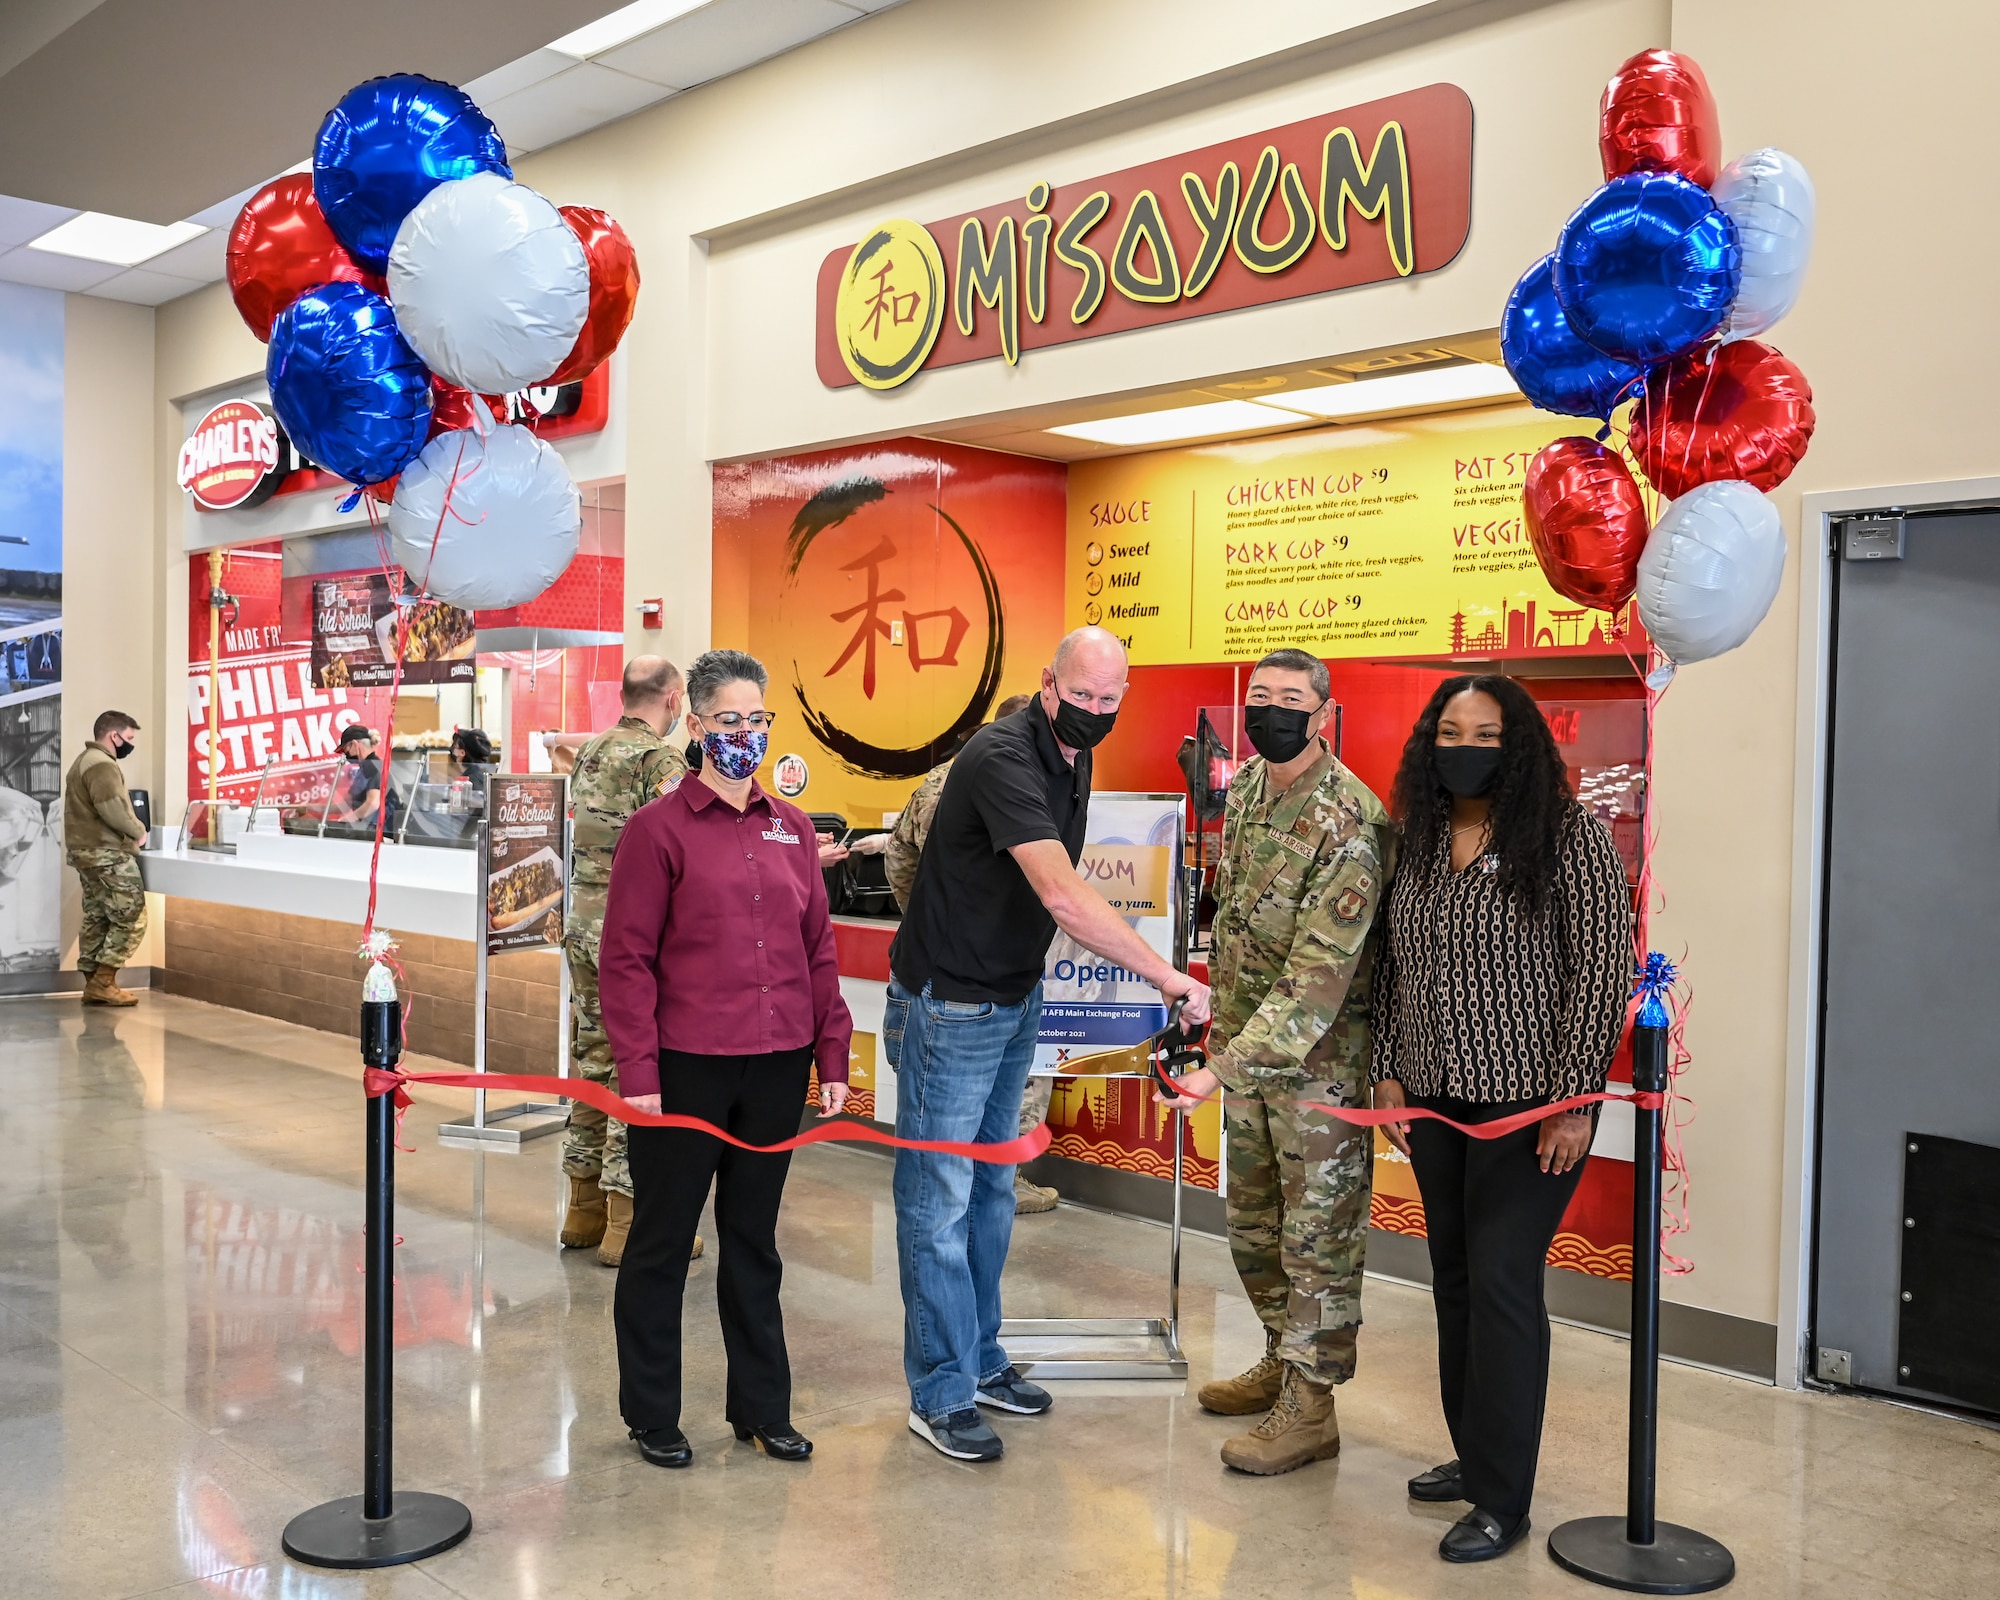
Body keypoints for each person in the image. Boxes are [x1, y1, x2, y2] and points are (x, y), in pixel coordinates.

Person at [888, 626, 1212, 1462]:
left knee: (993, 1194)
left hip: (1013, 998)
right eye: (1084, 696)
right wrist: (1165, 977)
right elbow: (1064, 895)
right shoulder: (1003, 755)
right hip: (951, 1006)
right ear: (1048, 683)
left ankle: (982, 1358)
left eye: (1113, 699)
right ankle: (940, 1389)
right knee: (940, 1203)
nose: (1098, 712)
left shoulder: (1074, 752)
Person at [1370, 674, 1630, 1563]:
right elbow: (1392, 966)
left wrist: (1573, 1103)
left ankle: (1505, 1498)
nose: (1466, 744)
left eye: (1485, 731)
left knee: (1504, 1284)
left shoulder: (1570, 839)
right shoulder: (1419, 837)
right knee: (1452, 1278)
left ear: (1517, 742)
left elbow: (1601, 976)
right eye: (1450, 729)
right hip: (1435, 1092)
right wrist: (1390, 1075)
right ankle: (1475, 1455)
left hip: (1530, 1107)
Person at [598, 648, 853, 1469]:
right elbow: (625, 960)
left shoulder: (793, 828)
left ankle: (761, 1408)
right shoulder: (656, 831)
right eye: (730, 720)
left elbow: (817, 947)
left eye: (758, 719)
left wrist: (834, 1055)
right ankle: (652, 1413)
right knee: (664, 1241)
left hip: (775, 1068)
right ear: (697, 726)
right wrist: (637, 1072)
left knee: (754, 1240)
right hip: (685, 1068)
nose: (745, 734)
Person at [1155, 648, 1392, 1475]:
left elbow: (1317, 977)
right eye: (1259, 698)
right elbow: (1238, 918)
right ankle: (1277, 1362)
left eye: (1292, 699)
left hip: (1316, 1070)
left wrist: (1224, 1067)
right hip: (1245, 1055)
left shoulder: (1353, 818)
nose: (1271, 712)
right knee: (1254, 1228)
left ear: (1324, 713)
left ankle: (1313, 1406)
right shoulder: (1248, 786)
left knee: (1316, 1241)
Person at [884, 692, 1056, 1215]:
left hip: (928, 969)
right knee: (990, 1119)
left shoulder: (937, 781)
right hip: (982, 979)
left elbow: (898, 856)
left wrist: (926, 918)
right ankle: (1008, 1182)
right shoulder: (1026, 781)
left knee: (938, 1126)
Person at [559, 658, 690, 1267]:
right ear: (672, 697)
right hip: (632, 937)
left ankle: (581, 1209)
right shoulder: (658, 763)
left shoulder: (590, 750)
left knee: (590, 1059)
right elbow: (678, 848)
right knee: (633, 1069)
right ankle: (626, 1223)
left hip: (581, 926)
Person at [63, 711, 149, 1006]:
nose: (130, 744)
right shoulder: (101, 764)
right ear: (114, 736)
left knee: (98, 915)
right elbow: (112, 808)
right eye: (129, 738)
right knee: (132, 916)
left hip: (84, 851)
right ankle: (104, 981)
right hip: (106, 852)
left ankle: (93, 981)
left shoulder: (83, 761)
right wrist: (138, 830)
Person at [325, 726, 382, 829]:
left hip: (379, 830)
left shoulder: (373, 766)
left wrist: (347, 819)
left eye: (346, 750)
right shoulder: (363, 768)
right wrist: (310, 808)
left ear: (355, 744)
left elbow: (373, 803)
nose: (346, 755)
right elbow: (346, 803)